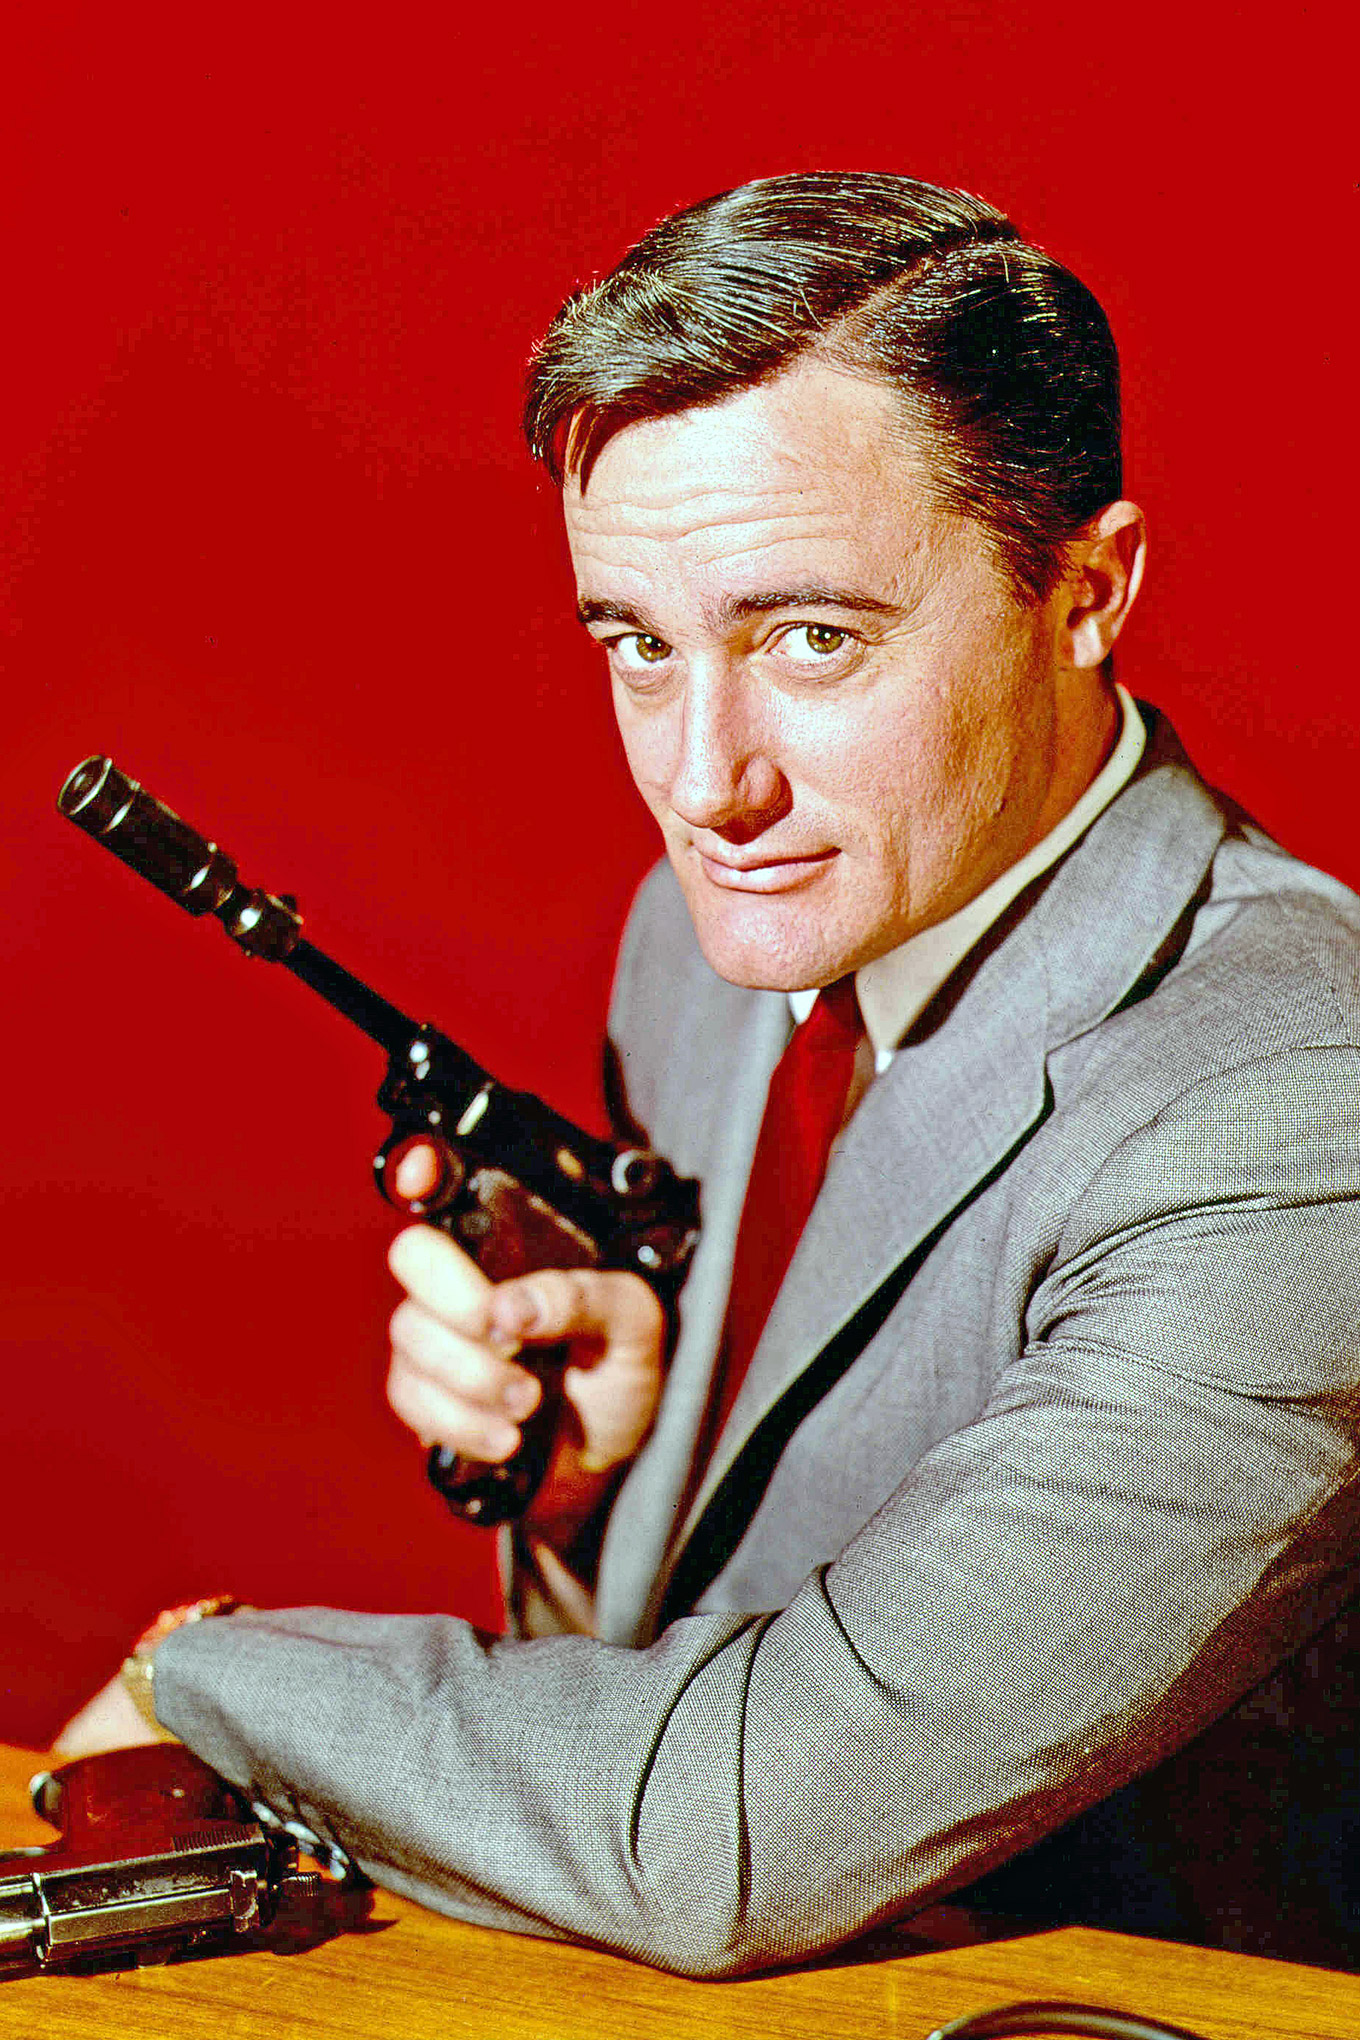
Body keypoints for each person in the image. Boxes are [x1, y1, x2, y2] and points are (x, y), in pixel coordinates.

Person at [58, 173, 1360, 1976]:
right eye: (638, 646)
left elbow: (735, 1833)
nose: (705, 782)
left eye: (812, 637)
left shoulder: (1298, 1114)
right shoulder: (714, 953)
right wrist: (601, 1504)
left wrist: (202, 1670)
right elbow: (680, 1692)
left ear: (1086, 591)